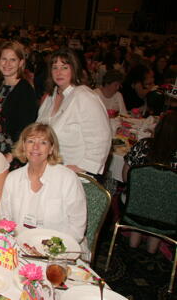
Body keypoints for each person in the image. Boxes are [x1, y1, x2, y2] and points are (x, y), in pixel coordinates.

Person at [0, 123, 87, 246]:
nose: (36, 147)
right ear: (23, 146)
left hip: (60, 250)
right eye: (30, 141)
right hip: (19, 247)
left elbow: (77, 228)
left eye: (43, 143)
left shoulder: (67, 179)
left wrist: (50, 249)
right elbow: (4, 217)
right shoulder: (13, 179)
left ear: (51, 149)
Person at [36, 48, 111, 177]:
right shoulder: (51, 96)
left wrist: (83, 167)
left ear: (74, 69)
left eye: (64, 67)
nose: (59, 72)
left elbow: (101, 138)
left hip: (75, 173)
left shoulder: (84, 96)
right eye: (55, 67)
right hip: (50, 170)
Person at [122, 112, 177, 253]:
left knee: (141, 197)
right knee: (163, 201)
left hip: (135, 207)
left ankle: (132, 246)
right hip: (167, 214)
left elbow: (126, 176)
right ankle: (152, 251)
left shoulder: (142, 145)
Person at [0, 41, 38, 155]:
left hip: (12, 153)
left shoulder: (25, 91)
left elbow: (26, 130)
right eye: (4, 59)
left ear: (21, 63)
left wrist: (12, 155)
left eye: (13, 60)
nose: (7, 64)